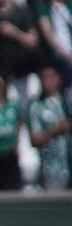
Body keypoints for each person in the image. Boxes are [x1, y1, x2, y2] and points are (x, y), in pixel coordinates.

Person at [28, 63, 71, 192]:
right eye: (44, 78)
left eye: (51, 77)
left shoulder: (67, 101)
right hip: (52, 168)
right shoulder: (36, 105)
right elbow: (35, 140)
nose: (48, 81)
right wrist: (55, 130)